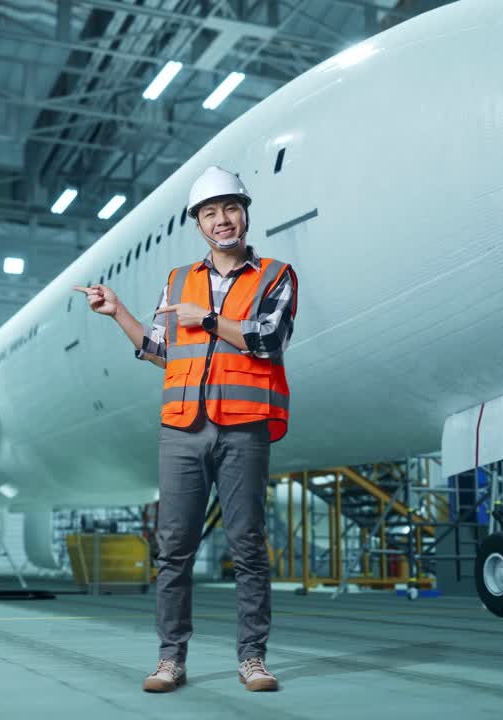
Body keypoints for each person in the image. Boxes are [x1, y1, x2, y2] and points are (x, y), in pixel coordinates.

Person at [73, 165, 298, 694]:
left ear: (245, 213)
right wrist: (117, 312)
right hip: (181, 427)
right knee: (173, 547)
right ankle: (170, 659)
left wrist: (208, 317)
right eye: (210, 213)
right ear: (198, 223)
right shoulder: (178, 281)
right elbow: (161, 350)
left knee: (247, 544)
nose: (223, 220)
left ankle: (253, 659)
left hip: (244, 427)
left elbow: (269, 340)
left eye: (230, 209)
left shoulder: (275, 274)